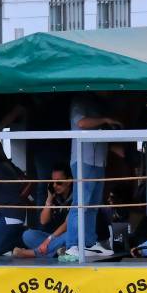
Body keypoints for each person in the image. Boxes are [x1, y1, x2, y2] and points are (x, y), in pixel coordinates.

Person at [62, 92, 123, 261]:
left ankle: (88, 243)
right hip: (83, 159)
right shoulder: (79, 99)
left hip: (99, 161)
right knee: (80, 203)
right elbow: (81, 122)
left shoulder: (100, 103)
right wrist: (105, 120)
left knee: (93, 205)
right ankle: (72, 245)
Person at [14, 162, 72, 259]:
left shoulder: (76, 197)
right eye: (52, 182)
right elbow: (43, 221)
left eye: (59, 182)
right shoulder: (55, 197)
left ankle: (34, 253)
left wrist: (48, 240)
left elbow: (66, 226)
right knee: (28, 235)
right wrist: (49, 199)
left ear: (69, 181)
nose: (54, 185)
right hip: (54, 238)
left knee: (69, 234)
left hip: (67, 237)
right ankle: (57, 251)